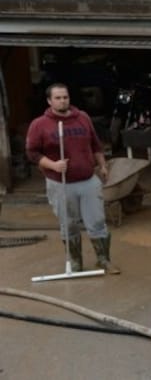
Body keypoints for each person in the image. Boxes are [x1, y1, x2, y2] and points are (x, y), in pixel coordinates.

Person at [26, 83, 120, 275]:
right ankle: (75, 262)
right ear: (49, 101)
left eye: (65, 97)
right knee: (69, 224)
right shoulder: (39, 125)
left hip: (87, 180)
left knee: (97, 222)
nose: (63, 101)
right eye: (58, 98)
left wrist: (102, 165)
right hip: (60, 183)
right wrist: (53, 165)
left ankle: (103, 260)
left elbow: (96, 144)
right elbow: (32, 153)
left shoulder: (82, 118)